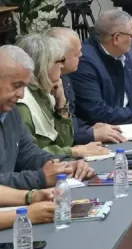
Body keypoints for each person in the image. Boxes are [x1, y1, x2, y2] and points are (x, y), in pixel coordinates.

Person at [0, 45, 92, 188]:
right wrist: (40, 178)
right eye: (16, 85)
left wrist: (65, 164)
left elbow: (29, 154)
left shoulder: (11, 113)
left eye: (24, 86)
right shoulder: (17, 108)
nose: (21, 95)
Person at [68, 9, 132, 126]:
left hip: (129, 125)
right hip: (104, 133)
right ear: (117, 38)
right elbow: (97, 113)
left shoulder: (122, 55)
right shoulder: (85, 63)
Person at [14, 34, 107, 159]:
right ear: (44, 64)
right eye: (60, 60)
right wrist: (73, 152)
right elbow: (30, 155)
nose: (63, 65)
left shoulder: (47, 92)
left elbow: (65, 142)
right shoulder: (22, 104)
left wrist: (61, 103)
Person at [45, 28, 125, 145]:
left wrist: (88, 128)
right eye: (77, 53)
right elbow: (54, 132)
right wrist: (90, 134)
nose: (81, 55)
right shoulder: (48, 83)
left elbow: (71, 117)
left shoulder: (65, 77)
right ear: (61, 56)